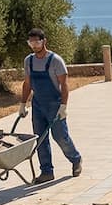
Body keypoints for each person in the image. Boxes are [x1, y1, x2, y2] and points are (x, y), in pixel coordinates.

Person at [18, 27, 81, 184]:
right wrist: (23, 104)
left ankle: (76, 159)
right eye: (31, 43)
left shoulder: (55, 60)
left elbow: (64, 85)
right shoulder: (29, 61)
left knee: (60, 136)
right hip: (38, 105)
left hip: (54, 104)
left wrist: (63, 106)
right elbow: (27, 84)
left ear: (44, 41)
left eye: (37, 42)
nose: (34, 45)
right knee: (40, 139)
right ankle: (46, 172)